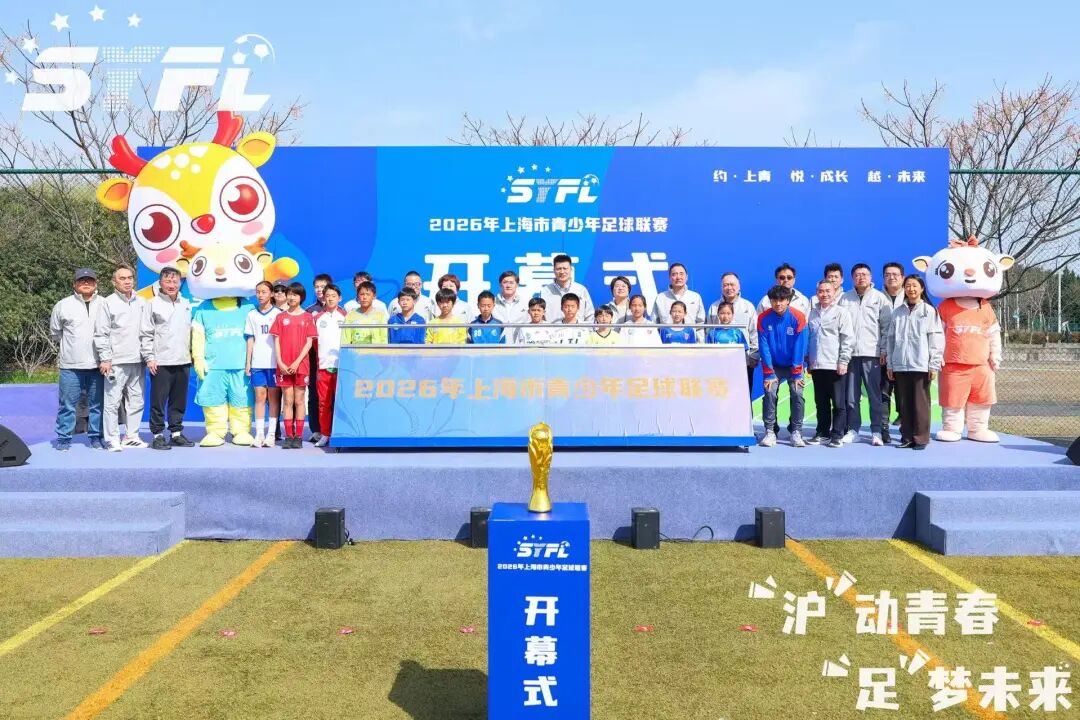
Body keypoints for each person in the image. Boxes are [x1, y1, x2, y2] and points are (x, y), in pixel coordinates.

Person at [886, 275, 944, 450]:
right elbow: (891, 339)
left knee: (920, 404)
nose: (911, 289)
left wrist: (933, 364)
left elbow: (936, 339)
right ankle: (907, 437)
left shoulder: (929, 311)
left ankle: (920, 438)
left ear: (922, 289)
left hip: (921, 364)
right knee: (904, 404)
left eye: (914, 286)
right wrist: (890, 364)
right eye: (908, 286)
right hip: (901, 365)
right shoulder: (898, 312)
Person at [94, 263, 147, 451]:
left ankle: (131, 436)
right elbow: (101, 333)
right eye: (122, 278)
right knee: (112, 402)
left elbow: (148, 331)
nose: (127, 281)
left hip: (138, 360)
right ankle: (112, 439)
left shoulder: (142, 302)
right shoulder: (107, 303)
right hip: (115, 362)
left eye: (130, 278)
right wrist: (105, 358)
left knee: (136, 400)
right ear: (114, 282)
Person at [50, 268, 105, 451]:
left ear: (96, 283)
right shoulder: (62, 305)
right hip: (70, 366)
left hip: (98, 365)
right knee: (67, 405)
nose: (86, 283)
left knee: (97, 405)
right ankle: (64, 438)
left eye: (90, 280)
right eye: (82, 280)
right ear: (74, 284)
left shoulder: (105, 304)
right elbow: (56, 333)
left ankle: (96, 437)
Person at [838, 263, 892, 446]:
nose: (861, 277)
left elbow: (886, 327)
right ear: (852, 278)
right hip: (850, 355)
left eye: (865, 274)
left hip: (872, 354)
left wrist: (883, 350)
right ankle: (854, 430)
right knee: (852, 396)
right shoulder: (845, 299)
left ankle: (876, 431)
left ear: (871, 277)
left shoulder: (879, 298)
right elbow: (840, 328)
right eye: (857, 275)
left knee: (874, 395)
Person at [139, 266, 193, 451]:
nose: (171, 284)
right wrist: (149, 358)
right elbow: (146, 333)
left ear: (180, 283)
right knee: (158, 401)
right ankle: (157, 435)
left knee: (179, 400)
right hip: (160, 361)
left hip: (183, 360)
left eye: (175, 281)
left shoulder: (186, 303)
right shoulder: (152, 304)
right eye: (168, 281)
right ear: (160, 282)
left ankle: (176, 434)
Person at [758, 285, 808, 448]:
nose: (778, 303)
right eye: (774, 300)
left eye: (782, 300)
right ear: (770, 301)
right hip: (774, 366)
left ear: (788, 301)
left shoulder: (798, 317)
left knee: (797, 392)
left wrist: (797, 373)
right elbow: (764, 347)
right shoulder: (763, 318)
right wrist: (769, 373)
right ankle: (770, 431)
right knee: (770, 392)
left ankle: (796, 431)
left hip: (794, 365)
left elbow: (800, 346)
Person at [806, 280, 855, 448]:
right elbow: (809, 338)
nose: (824, 294)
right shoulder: (812, 313)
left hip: (835, 365)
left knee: (839, 403)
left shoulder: (842, 313)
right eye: (821, 291)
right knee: (821, 402)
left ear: (834, 292)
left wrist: (843, 361)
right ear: (817, 293)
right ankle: (822, 432)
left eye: (828, 291)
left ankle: (837, 434)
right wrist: (809, 360)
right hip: (817, 365)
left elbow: (847, 339)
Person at [270, 283, 318, 449]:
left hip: (301, 365)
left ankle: (298, 436)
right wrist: (280, 362)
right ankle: (289, 436)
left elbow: (309, 342)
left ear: (301, 297)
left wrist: (297, 362)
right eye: (289, 294)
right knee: (288, 401)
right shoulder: (280, 317)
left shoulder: (308, 317)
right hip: (283, 365)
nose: (291, 297)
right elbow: (276, 341)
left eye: (295, 295)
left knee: (299, 400)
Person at [245, 281, 283, 448]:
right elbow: (250, 339)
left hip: (274, 363)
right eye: (258, 292)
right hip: (257, 363)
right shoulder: (252, 314)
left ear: (272, 294)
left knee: (273, 398)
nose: (260, 295)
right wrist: (248, 362)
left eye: (264, 292)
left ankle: (271, 434)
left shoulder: (279, 314)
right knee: (259, 397)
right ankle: (259, 434)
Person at [707, 272, 759, 392]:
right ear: (721, 287)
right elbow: (708, 332)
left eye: (732, 284)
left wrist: (754, 355)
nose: (729, 288)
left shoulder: (747, 306)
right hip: (719, 363)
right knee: (720, 395)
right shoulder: (714, 307)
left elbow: (754, 332)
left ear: (739, 286)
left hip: (743, 361)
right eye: (726, 285)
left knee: (743, 394)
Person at [313, 284, 348, 447]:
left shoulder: (346, 316)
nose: (330, 299)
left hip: (343, 367)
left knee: (342, 402)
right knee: (323, 403)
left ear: (339, 298)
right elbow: (314, 343)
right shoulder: (318, 318)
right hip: (323, 366)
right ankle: (325, 434)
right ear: (323, 298)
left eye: (334, 296)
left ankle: (343, 432)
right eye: (327, 296)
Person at [880, 261, 906, 438]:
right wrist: (883, 350)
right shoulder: (877, 297)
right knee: (884, 391)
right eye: (887, 275)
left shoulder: (911, 295)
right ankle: (884, 428)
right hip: (884, 353)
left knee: (904, 392)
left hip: (906, 354)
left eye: (895, 274)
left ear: (902, 277)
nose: (891, 277)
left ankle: (906, 427)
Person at [539, 254, 594, 322]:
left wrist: (585, 328)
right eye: (558, 269)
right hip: (553, 328)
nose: (562, 272)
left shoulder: (581, 290)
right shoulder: (545, 291)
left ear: (571, 269)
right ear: (554, 270)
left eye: (565, 268)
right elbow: (540, 316)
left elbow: (590, 315)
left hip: (577, 328)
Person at [342, 280, 389, 345]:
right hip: (356, 351)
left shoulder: (381, 316)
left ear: (374, 296)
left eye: (368, 294)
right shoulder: (350, 316)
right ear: (357, 296)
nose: (364, 297)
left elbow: (384, 339)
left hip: (376, 351)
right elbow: (345, 340)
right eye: (362, 294)